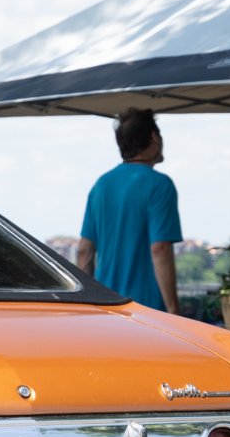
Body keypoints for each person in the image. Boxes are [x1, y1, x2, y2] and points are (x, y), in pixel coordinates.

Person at [77, 108, 182, 314]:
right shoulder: (159, 185)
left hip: (105, 310)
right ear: (154, 137)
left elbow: (84, 251)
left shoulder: (101, 185)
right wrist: (173, 309)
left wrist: (86, 307)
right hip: (147, 311)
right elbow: (159, 248)